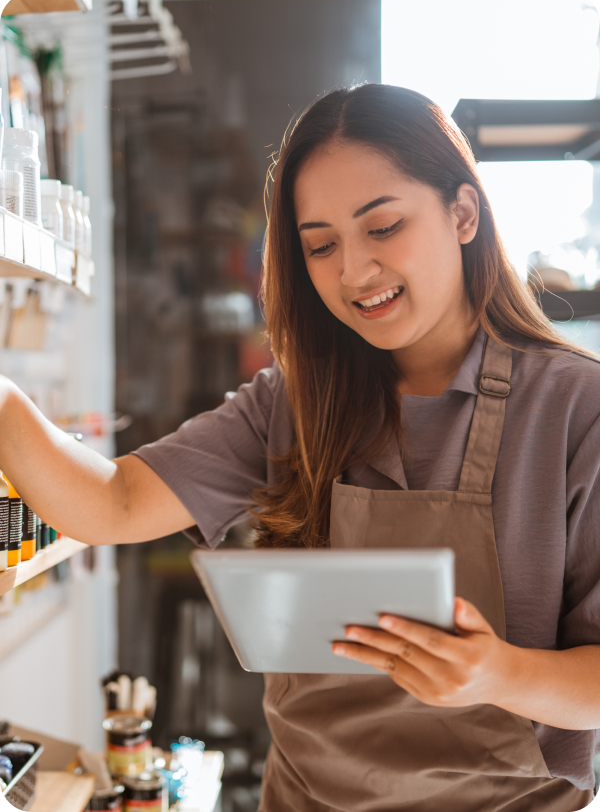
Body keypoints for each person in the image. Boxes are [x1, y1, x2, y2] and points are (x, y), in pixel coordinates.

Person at [1, 84, 598, 811]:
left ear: (462, 213)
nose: (353, 272)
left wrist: (497, 674)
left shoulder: (575, 408)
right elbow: (112, 503)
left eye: (382, 227)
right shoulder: (293, 403)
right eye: (321, 245)